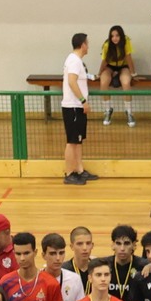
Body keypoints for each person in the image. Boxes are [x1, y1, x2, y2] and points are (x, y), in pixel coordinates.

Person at [61, 32, 92, 186]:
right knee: (72, 141)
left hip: (77, 107)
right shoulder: (74, 61)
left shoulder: (76, 61)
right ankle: (69, 173)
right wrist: (83, 101)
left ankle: (80, 170)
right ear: (82, 45)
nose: (88, 46)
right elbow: (72, 82)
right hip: (73, 106)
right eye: (87, 43)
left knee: (78, 140)